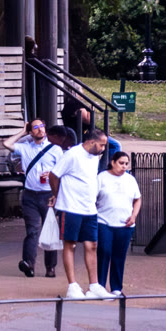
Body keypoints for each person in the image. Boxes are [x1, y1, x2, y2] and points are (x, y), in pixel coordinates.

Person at [47, 126, 108, 299]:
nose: (103, 149)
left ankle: (94, 285)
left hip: (89, 207)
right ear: (91, 142)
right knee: (70, 244)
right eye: (101, 145)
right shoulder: (72, 155)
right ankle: (72, 285)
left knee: (92, 245)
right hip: (71, 206)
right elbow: (54, 175)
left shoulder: (94, 156)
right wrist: (58, 195)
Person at [5, 118, 62, 278]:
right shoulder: (25, 148)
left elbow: (62, 172)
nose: (40, 129)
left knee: (49, 230)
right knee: (32, 231)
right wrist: (22, 132)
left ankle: (50, 267)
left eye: (42, 126)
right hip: (30, 195)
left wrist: (53, 182)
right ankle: (28, 264)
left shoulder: (55, 149)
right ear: (31, 132)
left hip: (48, 194)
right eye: (35, 127)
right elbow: (6, 144)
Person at [93, 150, 142, 297]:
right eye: (121, 163)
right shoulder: (102, 177)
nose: (124, 166)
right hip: (104, 221)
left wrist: (134, 215)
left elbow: (137, 199)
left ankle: (116, 287)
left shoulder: (130, 179)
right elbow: (92, 198)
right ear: (113, 162)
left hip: (125, 223)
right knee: (104, 251)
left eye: (126, 164)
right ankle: (100, 286)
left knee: (119, 256)